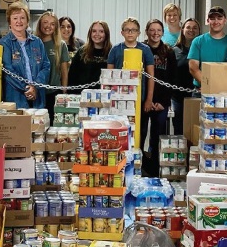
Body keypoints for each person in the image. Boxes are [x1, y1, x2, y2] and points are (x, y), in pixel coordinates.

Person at [107, 17, 155, 158]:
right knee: (119, 129)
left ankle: (138, 160)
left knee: (140, 130)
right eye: (127, 30)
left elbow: (151, 76)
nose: (130, 33)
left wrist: (148, 99)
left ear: (139, 33)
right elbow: (108, 75)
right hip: (118, 99)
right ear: (122, 32)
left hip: (140, 98)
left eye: (133, 30)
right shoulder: (115, 50)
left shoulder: (145, 50)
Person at [0, 2, 50, 109]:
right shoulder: (5, 43)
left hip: (38, 97)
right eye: (15, 18)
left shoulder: (37, 42)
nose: (19, 21)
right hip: (16, 98)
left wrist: (35, 87)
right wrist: (27, 88)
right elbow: (8, 71)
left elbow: (46, 66)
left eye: (22, 18)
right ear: (9, 22)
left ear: (27, 21)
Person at [145, 19, 177, 177]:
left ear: (163, 32)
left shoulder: (169, 52)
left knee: (157, 135)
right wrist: (147, 101)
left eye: (158, 30)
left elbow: (172, 79)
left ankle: (156, 167)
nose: (155, 33)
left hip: (161, 103)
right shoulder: (142, 49)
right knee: (141, 133)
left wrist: (163, 102)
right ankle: (142, 165)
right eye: (152, 30)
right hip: (144, 102)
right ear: (146, 32)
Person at [188, 6, 227, 92]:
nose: (216, 21)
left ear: (225, 21)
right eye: (212, 18)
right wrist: (208, 85)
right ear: (208, 21)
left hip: (226, 90)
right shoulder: (198, 41)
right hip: (201, 90)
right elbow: (193, 68)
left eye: (219, 18)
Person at [36, 12, 70, 116]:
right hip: (36, 92)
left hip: (54, 92)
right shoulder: (33, 42)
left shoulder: (60, 45)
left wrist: (64, 92)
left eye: (52, 24)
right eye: (45, 22)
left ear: (56, 27)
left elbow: (64, 72)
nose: (48, 26)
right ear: (40, 24)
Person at [172, 18, 201, 135]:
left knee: (195, 128)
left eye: (195, 28)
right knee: (179, 128)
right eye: (188, 27)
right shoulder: (174, 50)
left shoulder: (201, 48)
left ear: (199, 31)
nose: (191, 30)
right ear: (182, 29)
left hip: (198, 94)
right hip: (178, 97)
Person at [68, 21, 112, 87]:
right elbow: (72, 75)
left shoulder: (112, 52)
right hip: (82, 93)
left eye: (101, 31)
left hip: (104, 94)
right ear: (90, 33)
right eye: (94, 31)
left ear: (106, 34)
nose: (97, 34)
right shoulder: (82, 52)